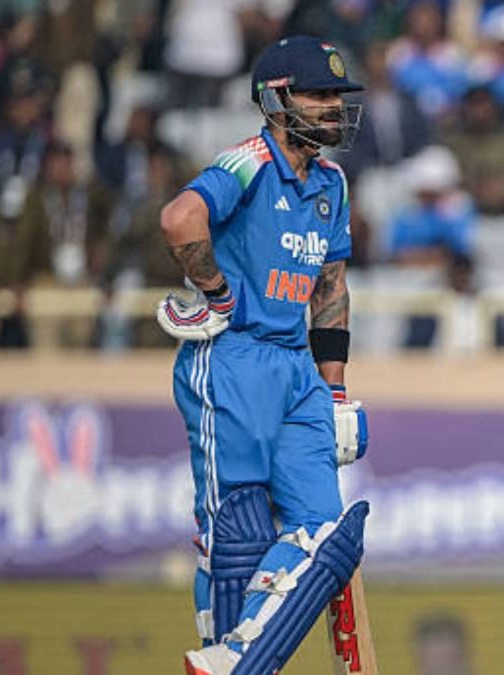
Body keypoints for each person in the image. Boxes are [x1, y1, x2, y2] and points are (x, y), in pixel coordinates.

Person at [154, 36, 371, 675]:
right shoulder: (247, 163)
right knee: (239, 537)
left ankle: (239, 658)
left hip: (296, 369)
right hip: (231, 356)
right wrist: (218, 292)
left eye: (338, 96)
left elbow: (330, 289)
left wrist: (334, 391)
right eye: (319, 94)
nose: (334, 107)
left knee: (325, 536)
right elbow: (179, 219)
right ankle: (230, 655)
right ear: (277, 99)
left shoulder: (332, 182)